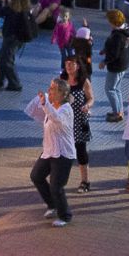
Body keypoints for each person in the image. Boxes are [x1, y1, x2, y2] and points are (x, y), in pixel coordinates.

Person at [25, 77, 76, 227]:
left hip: (63, 154)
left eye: (53, 89)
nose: (49, 91)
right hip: (49, 151)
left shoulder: (66, 110)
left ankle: (65, 216)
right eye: (50, 88)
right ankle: (52, 204)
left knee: (56, 186)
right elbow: (41, 114)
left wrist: (45, 104)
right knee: (36, 176)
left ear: (61, 94)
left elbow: (56, 118)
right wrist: (41, 102)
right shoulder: (51, 105)